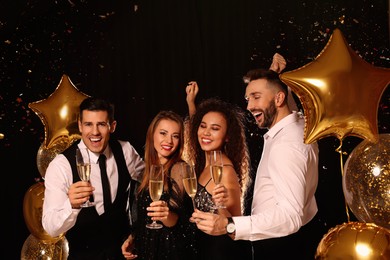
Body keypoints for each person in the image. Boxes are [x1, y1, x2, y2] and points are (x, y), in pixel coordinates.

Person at [191, 69, 321, 260]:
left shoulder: (286, 146)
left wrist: (230, 225)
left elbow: (291, 217)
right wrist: (274, 76)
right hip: (290, 239)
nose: (250, 106)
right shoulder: (299, 124)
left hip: (281, 246)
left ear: (278, 99)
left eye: (256, 97)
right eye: (248, 99)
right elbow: (289, 106)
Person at [42, 97, 145, 259]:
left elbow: (149, 184)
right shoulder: (61, 165)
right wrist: (71, 206)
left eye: (101, 124)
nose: (95, 132)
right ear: (80, 126)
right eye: (88, 124)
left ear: (112, 126)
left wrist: (136, 232)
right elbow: (51, 228)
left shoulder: (126, 151)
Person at [121, 110, 197, 260]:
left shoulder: (180, 169)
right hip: (146, 251)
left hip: (170, 252)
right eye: (163, 133)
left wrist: (167, 216)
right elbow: (143, 216)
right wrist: (133, 238)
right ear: (152, 135)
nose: (169, 141)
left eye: (175, 136)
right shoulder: (145, 170)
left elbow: (185, 221)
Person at [187, 97, 252, 259]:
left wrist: (220, 205)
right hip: (201, 248)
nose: (206, 132)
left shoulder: (225, 171)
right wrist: (191, 103)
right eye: (203, 126)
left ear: (227, 136)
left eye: (215, 128)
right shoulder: (205, 161)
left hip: (220, 252)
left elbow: (235, 228)